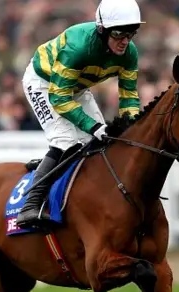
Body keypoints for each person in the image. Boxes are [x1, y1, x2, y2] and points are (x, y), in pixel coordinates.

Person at [17, 0, 143, 229]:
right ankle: (30, 205)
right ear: (102, 29)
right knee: (65, 141)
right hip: (45, 84)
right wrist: (94, 126)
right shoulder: (78, 46)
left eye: (131, 33)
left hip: (75, 87)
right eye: (119, 34)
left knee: (96, 144)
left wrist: (133, 126)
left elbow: (129, 97)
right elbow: (59, 97)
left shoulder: (129, 53)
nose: (125, 41)